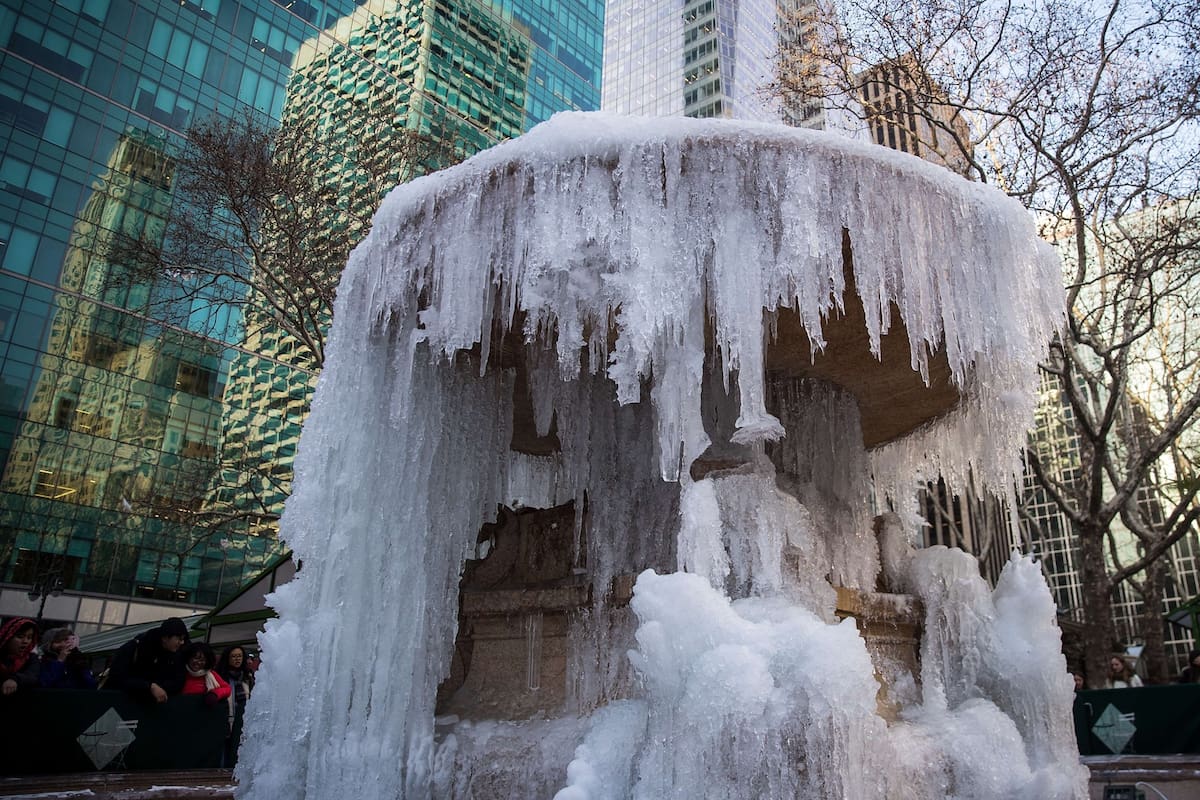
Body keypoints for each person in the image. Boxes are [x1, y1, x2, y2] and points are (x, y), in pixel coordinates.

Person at [105, 617, 190, 702]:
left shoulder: (178, 654)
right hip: (123, 704)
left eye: (183, 639)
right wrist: (149, 686)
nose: (181, 642)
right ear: (165, 638)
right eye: (179, 639)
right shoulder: (135, 647)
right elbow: (117, 678)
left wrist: (157, 687)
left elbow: (178, 683)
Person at [216, 645, 254, 765]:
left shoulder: (248, 676)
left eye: (239, 656)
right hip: (226, 715)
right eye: (233, 656)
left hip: (242, 715)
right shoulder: (221, 676)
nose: (237, 659)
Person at [0, 617, 39, 696]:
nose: (25, 641)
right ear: (8, 636)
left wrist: (15, 679)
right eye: (20, 636)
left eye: (29, 637)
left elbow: (32, 675)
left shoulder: (31, 658)